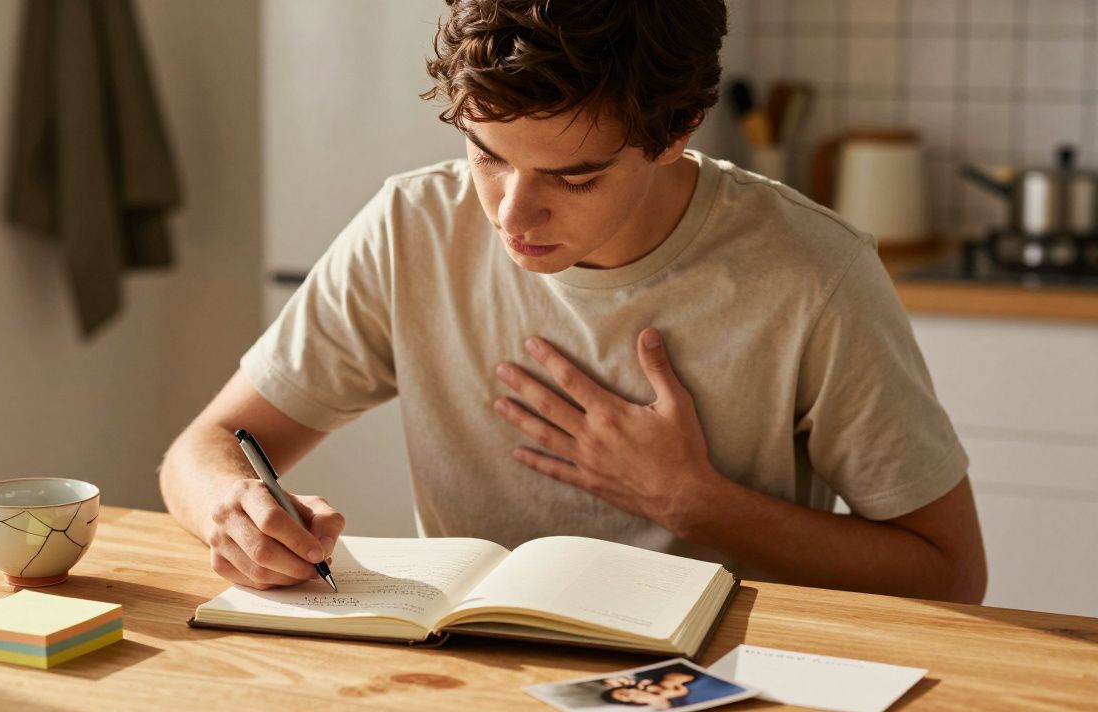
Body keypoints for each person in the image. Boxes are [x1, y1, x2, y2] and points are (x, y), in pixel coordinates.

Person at [159, 0, 987, 603]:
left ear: (678, 131)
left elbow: (950, 575)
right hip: (467, 678)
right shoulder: (412, 225)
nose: (511, 216)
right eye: (486, 156)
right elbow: (202, 448)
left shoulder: (815, 273)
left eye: (574, 177)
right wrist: (236, 509)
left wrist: (697, 503)